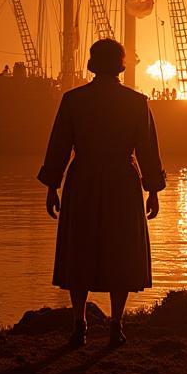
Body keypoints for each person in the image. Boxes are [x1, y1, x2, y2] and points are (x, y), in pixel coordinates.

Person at [38, 38, 165, 348]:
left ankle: (79, 323)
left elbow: (59, 147)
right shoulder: (136, 102)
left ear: (92, 64)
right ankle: (116, 324)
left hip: (82, 179)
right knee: (121, 250)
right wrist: (153, 189)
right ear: (121, 65)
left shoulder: (73, 100)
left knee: (79, 250)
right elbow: (147, 150)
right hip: (122, 180)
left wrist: (52, 186)